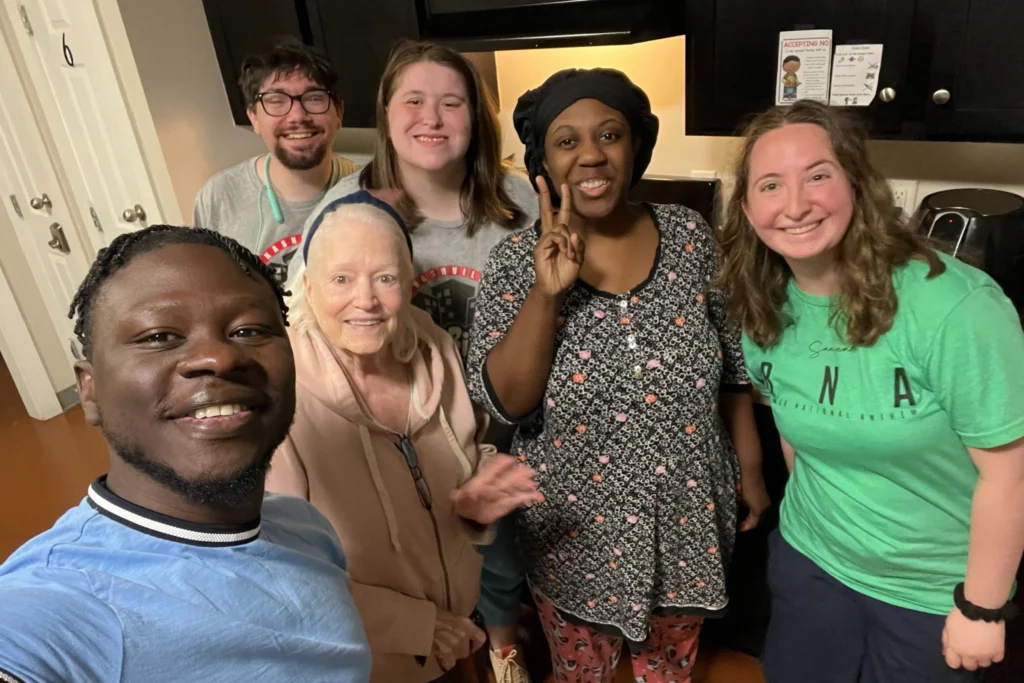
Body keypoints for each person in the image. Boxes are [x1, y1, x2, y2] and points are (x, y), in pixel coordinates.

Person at [465, 68, 769, 683]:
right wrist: (547, 292)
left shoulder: (688, 236)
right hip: (574, 532)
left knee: (670, 668)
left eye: (609, 134)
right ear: (543, 162)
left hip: (687, 517)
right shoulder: (515, 262)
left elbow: (732, 364)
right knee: (582, 673)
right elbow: (507, 403)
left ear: (635, 146)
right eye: (567, 141)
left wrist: (752, 467)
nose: (591, 155)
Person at [717, 100, 1024, 682]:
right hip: (811, 565)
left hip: (929, 592)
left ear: (857, 185)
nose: (796, 205)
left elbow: (1011, 474)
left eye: (818, 176)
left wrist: (980, 608)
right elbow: (798, 436)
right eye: (771, 185)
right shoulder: (764, 306)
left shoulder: (954, 307)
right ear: (749, 211)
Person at [0, 226, 371, 682]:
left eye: (249, 330)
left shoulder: (306, 528)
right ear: (89, 389)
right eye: (159, 336)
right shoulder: (62, 606)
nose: (218, 358)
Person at [288, 40, 540, 682]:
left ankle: (500, 650)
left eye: (452, 103)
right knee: (421, 557)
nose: (432, 118)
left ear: (476, 117)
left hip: (506, 424)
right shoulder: (345, 209)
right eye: (414, 101)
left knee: (497, 559)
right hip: (403, 435)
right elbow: (308, 322)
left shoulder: (521, 202)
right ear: (385, 112)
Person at [193, 39, 358, 284]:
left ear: (339, 113)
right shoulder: (219, 198)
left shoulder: (368, 191)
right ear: (254, 117)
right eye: (276, 100)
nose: (297, 116)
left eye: (314, 98)